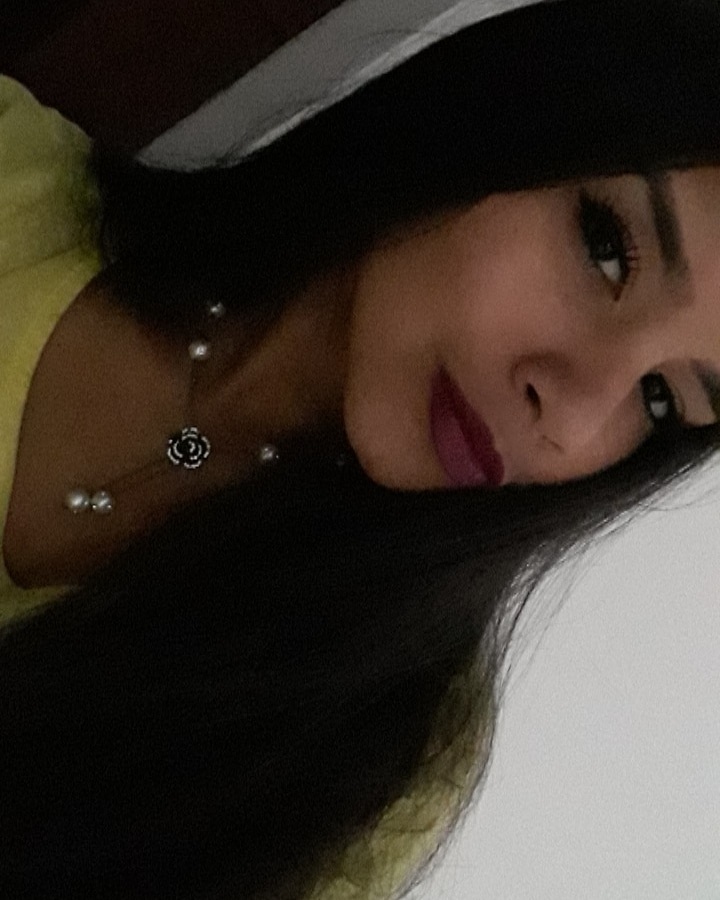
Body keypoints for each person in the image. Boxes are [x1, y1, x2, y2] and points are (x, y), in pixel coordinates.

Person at [1, 0, 719, 897]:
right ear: (504, 117)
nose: (571, 418)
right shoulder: (14, 183)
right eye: (608, 249)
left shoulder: (381, 753)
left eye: (661, 397)